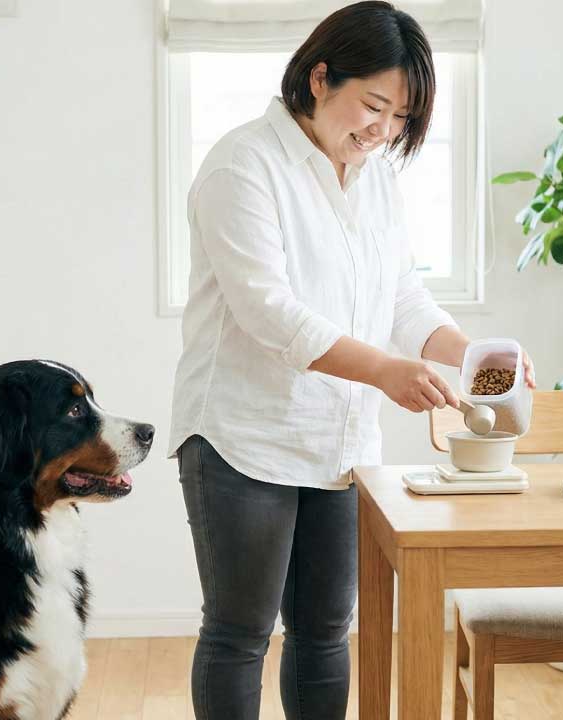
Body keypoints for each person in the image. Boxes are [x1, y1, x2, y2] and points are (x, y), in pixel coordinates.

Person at [167, 3, 535, 717]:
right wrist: (386, 373)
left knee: (326, 632)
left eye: (401, 119)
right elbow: (269, 312)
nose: (383, 130)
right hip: (242, 436)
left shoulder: (374, 181)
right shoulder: (243, 165)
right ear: (319, 77)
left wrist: (476, 355)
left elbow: (401, 297)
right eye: (373, 106)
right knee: (240, 633)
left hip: (337, 445)